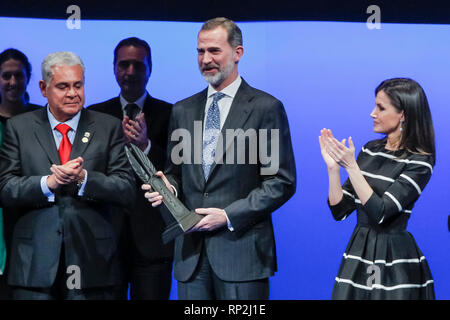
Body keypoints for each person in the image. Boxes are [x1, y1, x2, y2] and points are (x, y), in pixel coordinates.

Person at [143, 17, 296, 300]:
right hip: (191, 256)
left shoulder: (266, 108)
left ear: (238, 53)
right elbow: (175, 172)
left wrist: (227, 216)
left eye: (214, 51)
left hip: (242, 254)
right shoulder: (182, 110)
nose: (205, 59)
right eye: (200, 51)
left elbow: (280, 182)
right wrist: (169, 189)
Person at [0, 51, 135, 300]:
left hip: (93, 263)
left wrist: (84, 179)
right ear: (43, 88)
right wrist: (47, 183)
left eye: (78, 85)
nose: (73, 93)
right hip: (33, 266)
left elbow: (125, 188)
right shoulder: (19, 127)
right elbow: (6, 188)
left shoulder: (108, 127)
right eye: (63, 86)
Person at [319, 78, 435, 299]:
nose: (373, 113)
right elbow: (339, 211)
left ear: (403, 115)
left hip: (393, 257)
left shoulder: (420, 162)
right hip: (359, 251)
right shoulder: (370, 149)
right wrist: (333, 169)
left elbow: (380, 212)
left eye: (381, 108)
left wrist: (351, 166)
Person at [88, 37, 173, 300]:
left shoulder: (173, 114)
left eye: (138, 65)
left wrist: (145, 145)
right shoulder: (94, 116)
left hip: (154, 242)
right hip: (105, 242)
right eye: (124, 65)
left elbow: (177, 172)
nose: (131, 72)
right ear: (114, 68)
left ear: (150, 68)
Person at [0, 48, 41, 299]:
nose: (13, 82)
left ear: (28, 78)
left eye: (19, 75)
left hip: (34, 218)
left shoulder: (42, 118)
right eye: (6, 76)